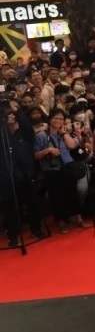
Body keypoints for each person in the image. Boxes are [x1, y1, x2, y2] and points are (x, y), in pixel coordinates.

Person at [34, 108, 88, 233]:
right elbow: (35, 155)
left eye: (61, 119)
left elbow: (72, 146)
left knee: (72, 193)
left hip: (67, 166)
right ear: (50, 119)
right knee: (57, 196)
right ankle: (61, 221)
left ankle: (77, 217)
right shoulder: (42, 135)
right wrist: (48, 150)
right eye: (56, 118)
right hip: (52, 169)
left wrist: (64, 134)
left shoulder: (63, 134)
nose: (58, 120)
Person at [1, 105, 46, 247]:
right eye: (8, 115)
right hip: (7, 176)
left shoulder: (24, 131)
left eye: (12, 114)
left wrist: (16, 109)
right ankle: (13, 235)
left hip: (26, 173)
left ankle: (36, 229)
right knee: (10, 206)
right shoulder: (3, 135)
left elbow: (26, 123)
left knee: (32, 202)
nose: (11, 116)